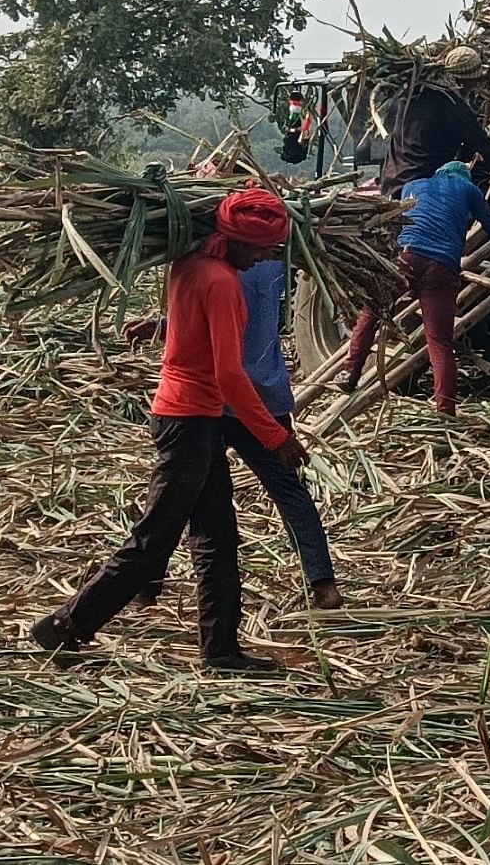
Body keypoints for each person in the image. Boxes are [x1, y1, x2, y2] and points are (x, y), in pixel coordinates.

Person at [30, 188, 305, 672]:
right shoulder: (221, 283)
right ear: (239, 242)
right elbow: (229, 375)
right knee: (154, 539)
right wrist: (275, 436)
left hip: (191, 418)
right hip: (190, 421)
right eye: (262, 248)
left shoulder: (188, 266)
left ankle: (221, 650)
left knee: (218, 536)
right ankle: (65, 625)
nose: (266, 256)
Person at [128, 252, 344, 612]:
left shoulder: (220, 263)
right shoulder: (274, 257)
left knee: (173, 499)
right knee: (288, 491)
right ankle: (324, 584)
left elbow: (214, 322)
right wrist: (164, 324)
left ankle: (146, 588)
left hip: (214, 401)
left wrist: (164, 324)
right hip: (259, 394)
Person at [343, 160, 490, 414]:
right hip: (441, 267)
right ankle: (445, 410)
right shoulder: (469, 190)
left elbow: (392, 222)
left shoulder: (413, 185)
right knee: (439, 341)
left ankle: (350, 372)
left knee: (371, 311)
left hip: (405, 257)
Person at [375, 45, 490, 197]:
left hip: (391, 185)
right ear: (464, 81)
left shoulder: (410, 95)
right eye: (473, 83)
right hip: (422, 191)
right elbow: (487, 149)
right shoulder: (454, 109)